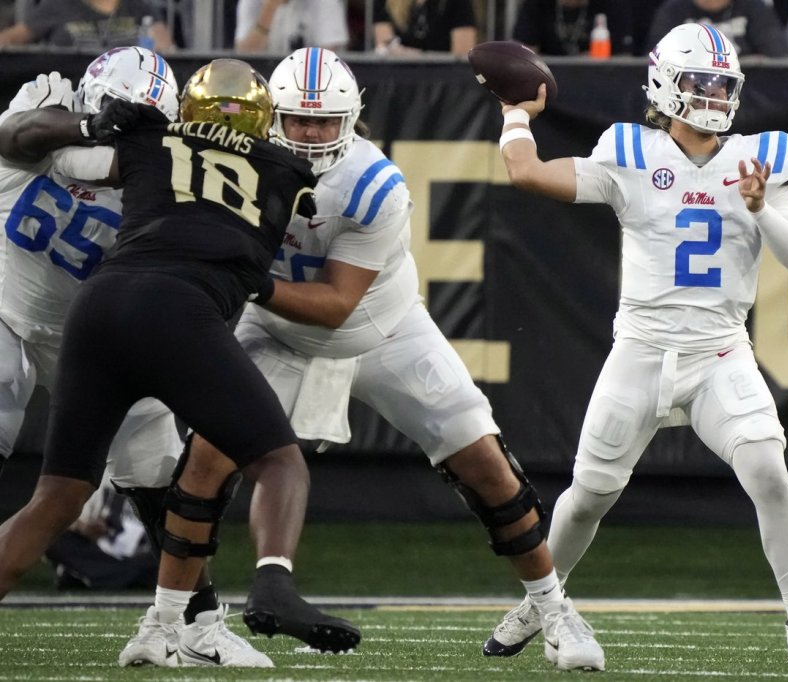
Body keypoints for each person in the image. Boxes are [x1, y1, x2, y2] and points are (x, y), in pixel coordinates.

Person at [163, 46, 603, 673]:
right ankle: (173, 624)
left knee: (485, 462)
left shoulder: (371, 184)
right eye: (298, 120)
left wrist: (243, 281)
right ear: (270, 117)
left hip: (381, 328)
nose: (310, 134)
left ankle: (554, 609)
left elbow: (337, 305)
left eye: (324, 122)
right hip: (279, 331)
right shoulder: (234, 162)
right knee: (203, 462)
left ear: (350, 121)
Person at [483, 23, 788, 666]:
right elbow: (527, 172)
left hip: (720, 352)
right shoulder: (630, 151)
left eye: (723, 85)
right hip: (642, 350)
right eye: (702, 82)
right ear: (665, 85)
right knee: (589, 495)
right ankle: (538, 605)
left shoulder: (761, 157)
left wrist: (762, 209)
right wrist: (516, 113)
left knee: (768, 470)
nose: (715, 95)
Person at [0, 58, 355, 667]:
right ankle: (272, 580)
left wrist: (89, 136)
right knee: (277, 459)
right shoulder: (277, 172)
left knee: (138, 480)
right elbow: (15, 137)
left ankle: (193, 623)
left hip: (89, 319)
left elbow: (76, 157)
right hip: (12, 303)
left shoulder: (143, 151)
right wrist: (82, 125)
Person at [44, 476, 158, 591]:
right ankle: (131, 578)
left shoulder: (160, 478)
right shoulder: (97, 476)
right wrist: (85, 527)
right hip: (101, 554)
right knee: (53, 538)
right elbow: (67, 520)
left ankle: (104, 578)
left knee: (161, 556)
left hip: (145, 556)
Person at [0, 0, 174, 51]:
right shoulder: (58, 6)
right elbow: (10, 37)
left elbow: (165, 48)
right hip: (70, 90)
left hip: (128, 91)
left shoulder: (140, 7)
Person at [646, 0, 788, 56]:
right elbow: (654, 60)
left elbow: (778, 58)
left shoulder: (753, 7)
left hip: (746, 95)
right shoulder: (673, 10)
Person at [511, 0, 633, 56]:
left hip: (599, 80)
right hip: (545, 80)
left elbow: (623, 57)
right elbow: (525, 52)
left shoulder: (611, 5)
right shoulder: (537, 5)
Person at [234, 0, 349, 53]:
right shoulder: (251, 2)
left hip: (309, 81)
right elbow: (244, 56)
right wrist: (270, 8)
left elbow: (329, 58)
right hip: (264, 79)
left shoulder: (325, 2)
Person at [373, 0, 476, 55]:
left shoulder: (459, 2)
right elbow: (385, 48)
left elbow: (462, 55)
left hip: (444, 80)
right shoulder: (386, 2)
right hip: (398, 79)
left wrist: (416, 56)